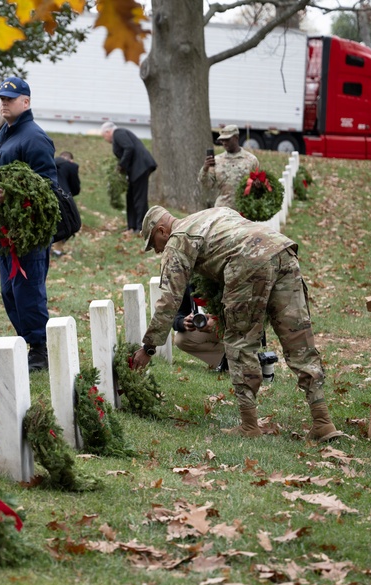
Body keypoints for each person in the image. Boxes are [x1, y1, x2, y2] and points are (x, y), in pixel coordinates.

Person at [131, 206, 343, 442]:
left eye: (154, 243)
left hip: (248, 262)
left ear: (162, 230)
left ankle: (249, 425)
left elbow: (169, 300)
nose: (158, 250)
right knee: (298, 339)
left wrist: (149, 348)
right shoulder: (213, 213)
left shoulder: (178, 240)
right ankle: (323, 421)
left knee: (241, 342)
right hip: (282, 250)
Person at [0, 76, 58, 372]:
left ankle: (41, 350)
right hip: (6, 232)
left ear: (26, 102)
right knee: (10, 292)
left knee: (27, 292)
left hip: (28, 233)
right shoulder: (5, 133)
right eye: (2, 98)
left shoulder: (34, 137)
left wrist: (13, 195)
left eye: (10, 98)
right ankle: (27, 343)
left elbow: (49, 187)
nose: (4, 102)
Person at [100, 121, 156, 233]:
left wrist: (121, 165)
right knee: (130, 197)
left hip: (141, 167)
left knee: (139, 198)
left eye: (104, 136)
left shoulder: (118, 133)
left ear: (108, 132)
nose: (105, 139)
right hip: (136, 170)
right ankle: (132, 226)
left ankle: (141, 227)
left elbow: (129, 147)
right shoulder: (119, 134)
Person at [198, 124, 260, 210]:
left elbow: (259, 186)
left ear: (236, 138)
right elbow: (208, 184)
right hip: (222, 211)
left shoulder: (251, 160)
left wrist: (257, 185)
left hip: (244, 211)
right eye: (222, 140)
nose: (224, 143)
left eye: (227, 139)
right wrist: (205, 169)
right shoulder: (217, 160)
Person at [173, 284, 225, 369]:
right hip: (211, 328)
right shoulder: (190, 283)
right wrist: (183, 322)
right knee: (182, 339)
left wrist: (219, 320)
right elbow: (177, 313)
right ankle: (224, 360)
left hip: (239, 326)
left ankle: (243, 357)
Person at [51, 150, 80, 258]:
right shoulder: (71, 166)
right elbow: (75, 188)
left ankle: (48, 249)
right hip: (62, 198)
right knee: (69, 224)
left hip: (46, 194)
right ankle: (57, 252)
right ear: (71, 160)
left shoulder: (49, 162)